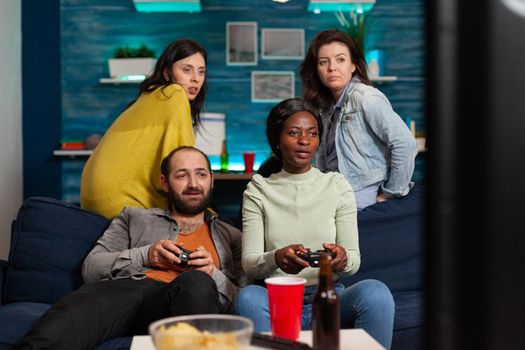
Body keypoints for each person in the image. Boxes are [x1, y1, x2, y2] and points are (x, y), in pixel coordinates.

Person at [21, 146, 249, 350]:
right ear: (165, 183)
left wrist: (212, 274)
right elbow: (91, 268)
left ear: (211, 180)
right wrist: (147, 255)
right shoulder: (133, 217)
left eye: (200, 174)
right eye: (181, 175)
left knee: (197, 283)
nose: (192, 184)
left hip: (185, 299)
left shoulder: (232, 237)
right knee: (56, 329)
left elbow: (243, 298)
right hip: (123, 293)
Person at [234, 98, 395, 349]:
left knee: (376, 293)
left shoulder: (336, 185)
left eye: (312, 133)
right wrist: (276, 257)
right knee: (248, 297)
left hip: (329, 298)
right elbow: (250, 264)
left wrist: (342, 258)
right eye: (293, 133)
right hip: (279, 299)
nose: (304, 141)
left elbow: (353, 260)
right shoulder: (258, 189)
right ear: (277, 139)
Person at [81, 39, 208, 219]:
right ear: (166, 73)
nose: (196, 78)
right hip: (121, 202)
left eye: (201, 72)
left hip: (94, 200)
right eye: (187, 70)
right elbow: (184, 164)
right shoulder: (174, 94)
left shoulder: (149, 96)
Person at [300, 29, 418, 210]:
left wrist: (391, 193)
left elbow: (405, 144)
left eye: (340, 60)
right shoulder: (324, 107)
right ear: (316, 69)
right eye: (324, 62)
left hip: (363, 201)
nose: (332, 68)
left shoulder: (366, 98)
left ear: (353, 65)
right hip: (332, 196)